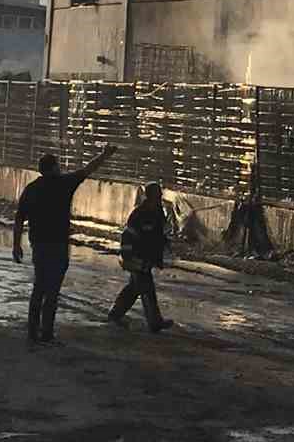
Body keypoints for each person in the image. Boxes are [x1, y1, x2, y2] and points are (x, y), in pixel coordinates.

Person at [13, 144, 115, 346]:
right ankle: (46, 333)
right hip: (58, 245)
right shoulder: (63, 184)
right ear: (54, 168)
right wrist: (104, 155)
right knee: (52, 291)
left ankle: (33, 332)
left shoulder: (31, 189)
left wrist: (16, 245)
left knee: (39, 287)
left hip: (39, 244)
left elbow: (19, 219)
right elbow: (87, 169)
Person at [106, 181, 174, 333]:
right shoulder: (138, 214)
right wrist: (127, 256)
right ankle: (154, 322)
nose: (159, 198)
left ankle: (115, 314)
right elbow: (128, 235)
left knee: (134, 287)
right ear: (149, 196)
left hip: (147, 257)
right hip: (136, 257)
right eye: (157, 195)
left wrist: (164, 248)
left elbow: (159, 234)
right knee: (146, 287)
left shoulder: (158, 213)